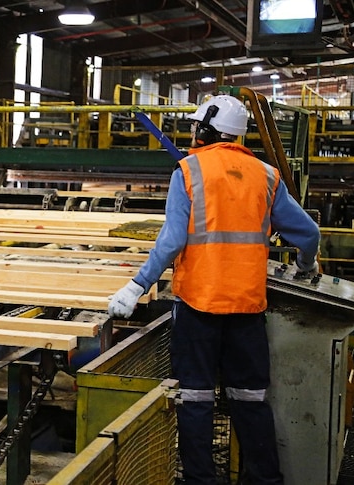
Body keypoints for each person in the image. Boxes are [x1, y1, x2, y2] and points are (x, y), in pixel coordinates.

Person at [107, 94, 320, 484]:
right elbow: (308, 234)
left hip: (198, 308)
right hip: (248, 311)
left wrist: (136, 286)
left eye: (195, 126)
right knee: (250, 400)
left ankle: (201, 480)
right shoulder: (267, 175)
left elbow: (171, 243)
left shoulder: (188, 172)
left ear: (208, 129)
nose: (191, 132)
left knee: (197, 400)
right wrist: (307, 266)